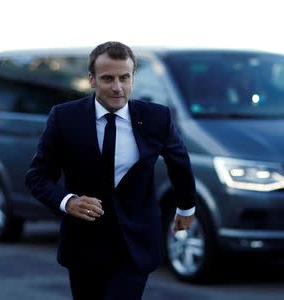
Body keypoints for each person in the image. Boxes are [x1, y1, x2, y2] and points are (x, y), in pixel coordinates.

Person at [25, 42, 196, 300]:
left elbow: (179, 163)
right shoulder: (64, 118)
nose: (118, 87)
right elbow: (37, 177)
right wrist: (68, 202)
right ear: (91, 80)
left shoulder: (156, 117)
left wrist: (186, 208)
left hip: (136, 243)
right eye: (108, 79)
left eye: (124, 78)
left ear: (132, 78)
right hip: (84, 245)